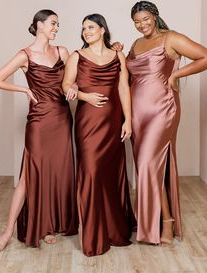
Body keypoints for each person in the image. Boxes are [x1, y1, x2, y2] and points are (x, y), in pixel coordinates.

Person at [125, 0, 207, 245]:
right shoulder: (136, 43)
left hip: (162, 109)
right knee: (149, 166)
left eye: (145, 19)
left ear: (154, 16)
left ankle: (166, 221)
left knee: (147, 164)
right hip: (137, 112)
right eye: (136, 22)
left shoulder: (171, 38)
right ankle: (149, 218)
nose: (141, 25)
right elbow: (128, 72)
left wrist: (176, 74)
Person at [0, 9, 78, 253]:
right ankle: (7, 231)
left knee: (57, 172)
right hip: (39, 121)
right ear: (39, 25)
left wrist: (74, 87)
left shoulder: (62, 51)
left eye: (58, 24)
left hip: (61, 118)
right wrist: (24, 91)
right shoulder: (25, 55)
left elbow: (74, 80)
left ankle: (48, 226)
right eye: (53, 23)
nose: (57, 28)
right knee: (30, 175)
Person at [62, 13, 136, 256]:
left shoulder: (118, 56)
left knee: (110, 175)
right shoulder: (77, 56)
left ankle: (114, 230)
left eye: (91, 27)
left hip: (113, 123)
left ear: (103, 29)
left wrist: (128, 120)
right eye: (83, 28)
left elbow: (123, 87)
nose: (86, 31)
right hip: (88, 123)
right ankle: (92, 236)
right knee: (91, 173)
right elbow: (66, 85)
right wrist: (84, 96)